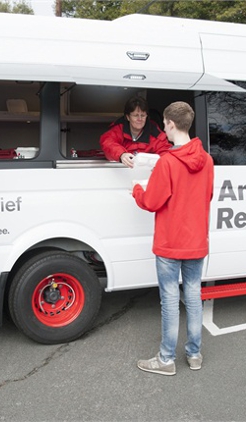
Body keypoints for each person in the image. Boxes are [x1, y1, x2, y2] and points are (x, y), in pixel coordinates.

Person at [132, 101, 214, 376]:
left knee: (169, 300)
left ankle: (166, 359)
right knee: (193, 296)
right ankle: (194, 354)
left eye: (164, 125)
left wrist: (136, 190)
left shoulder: (167, 162)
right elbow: (207, 196)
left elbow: (152, 202)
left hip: (169, 242)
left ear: (170, 124)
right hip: (196, 242)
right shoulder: (208, 160)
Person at [100, 96, 171, 168]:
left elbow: (166, 153)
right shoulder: (119, 128)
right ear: (128, 117)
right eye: (135, 115)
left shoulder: (155, 134)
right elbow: (107, 142)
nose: (139, 119)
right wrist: (122, 155)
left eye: (143, 115)